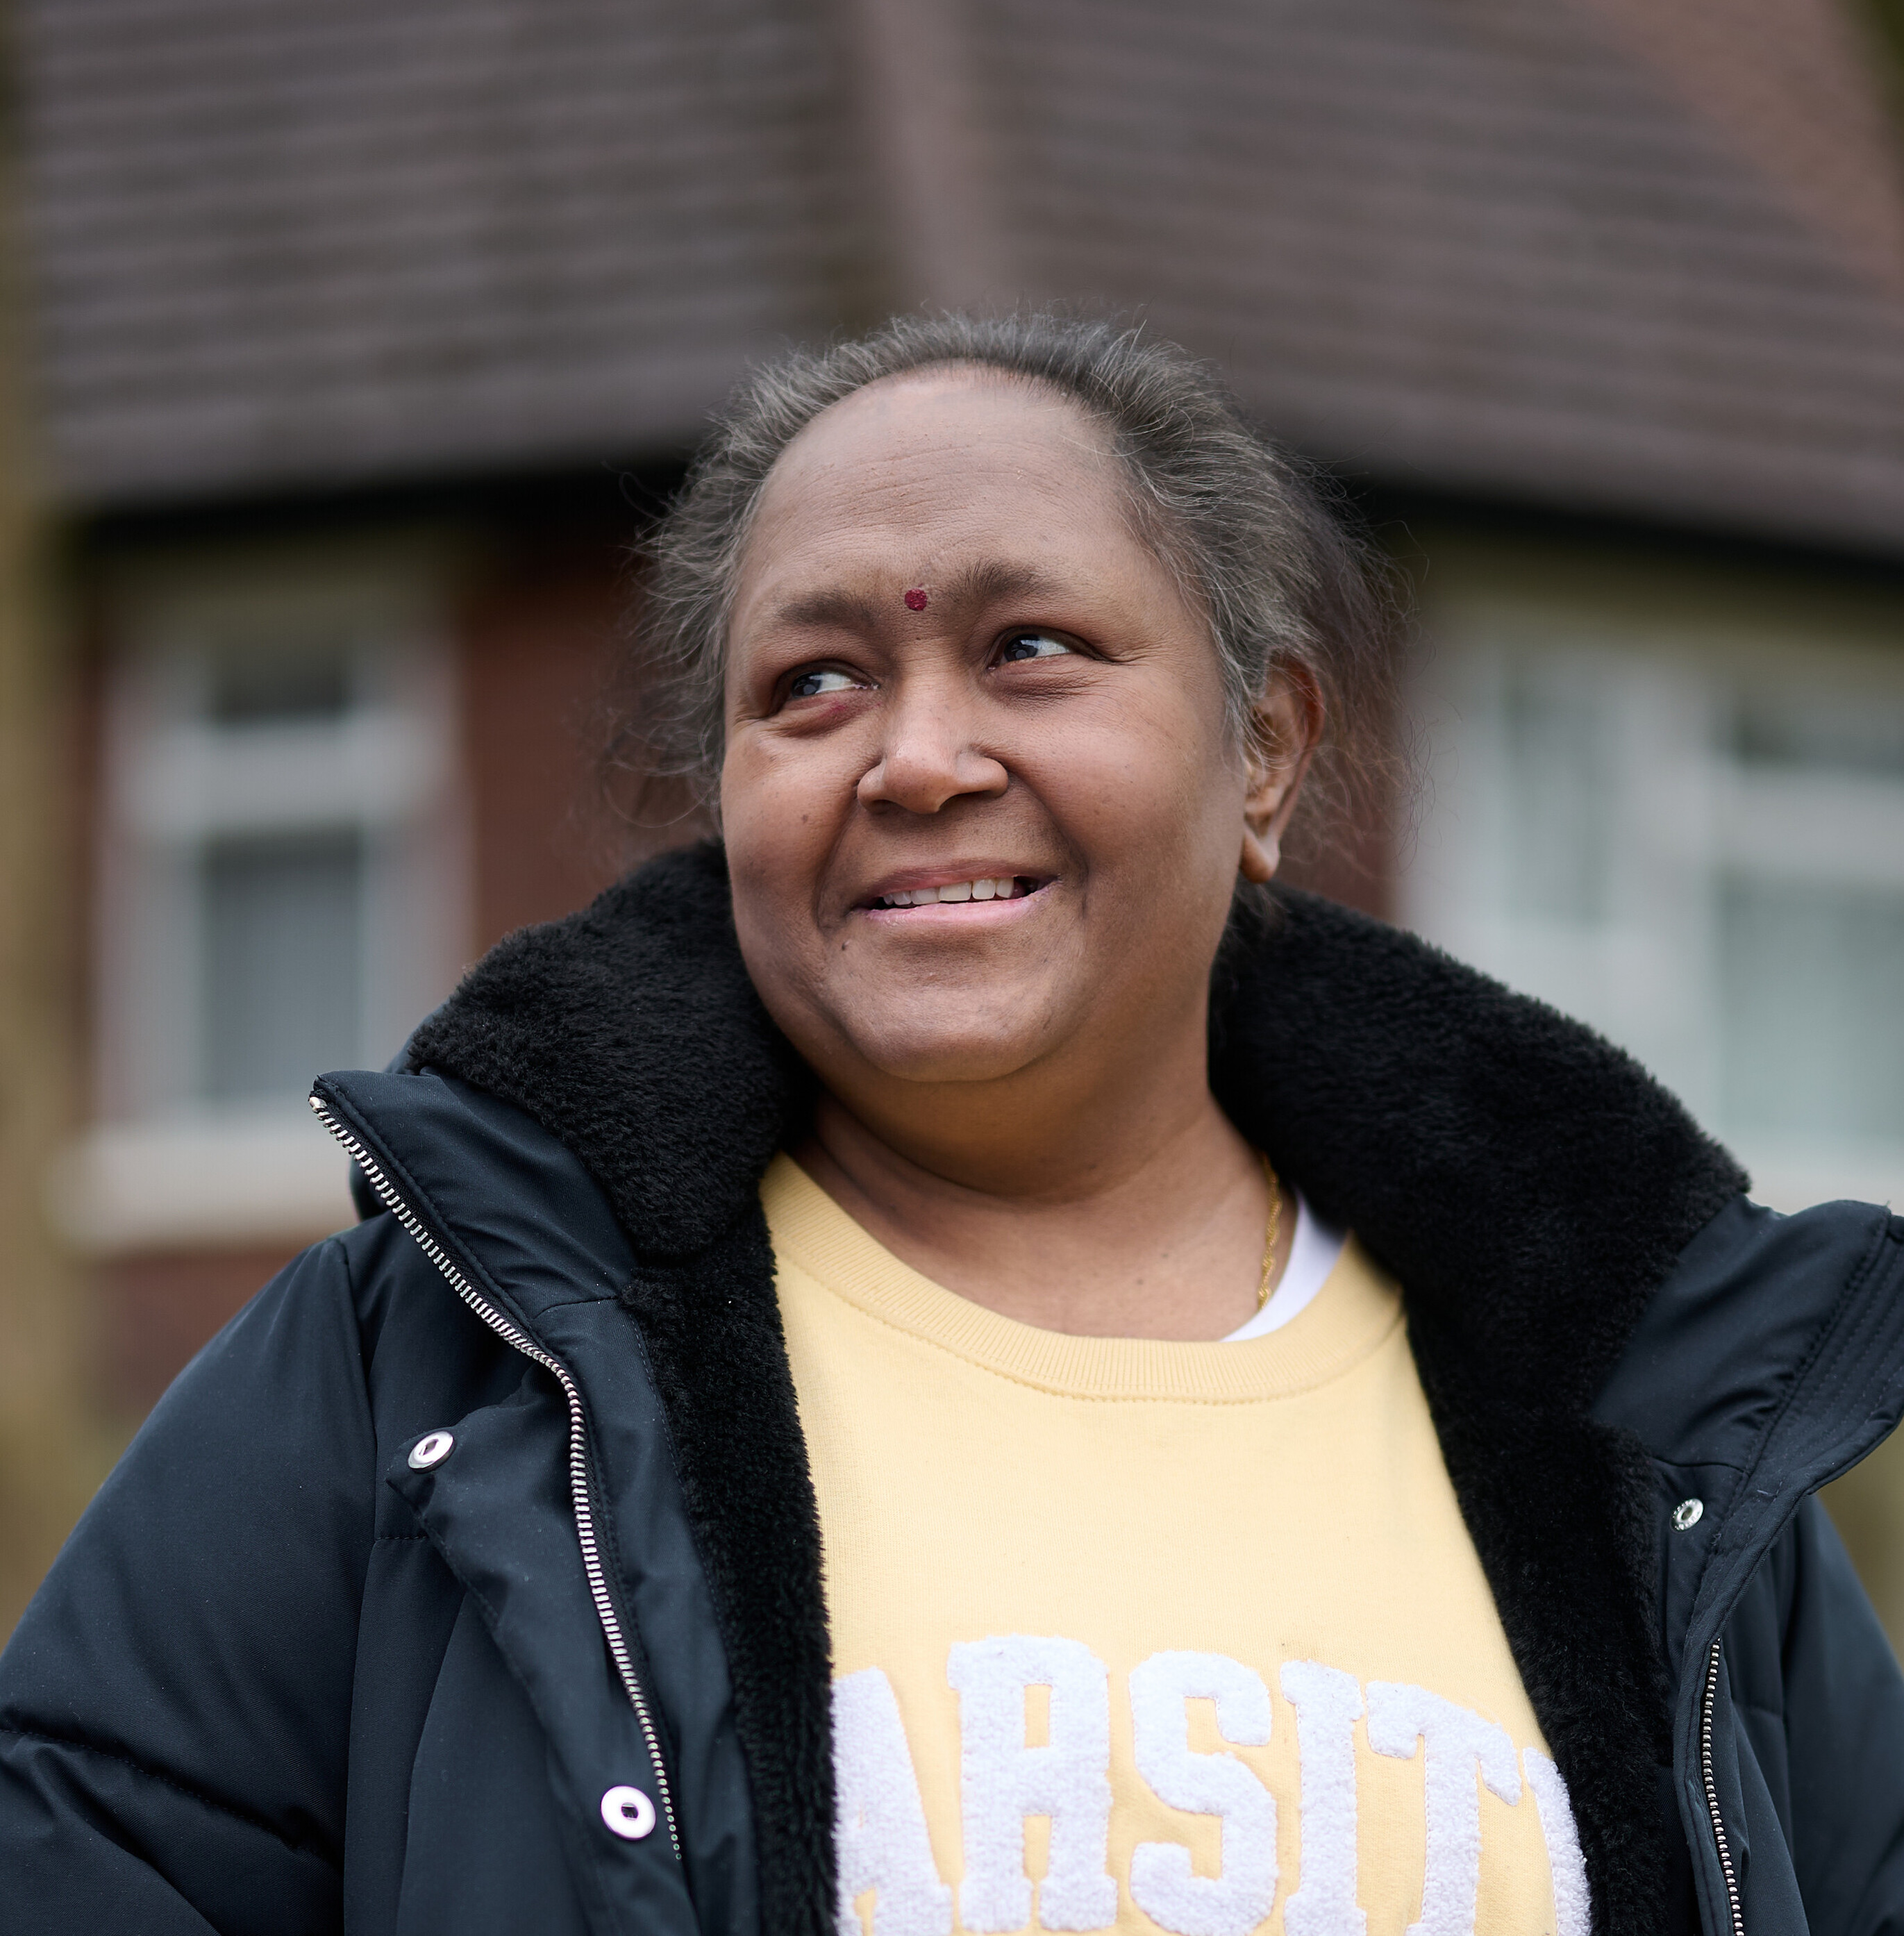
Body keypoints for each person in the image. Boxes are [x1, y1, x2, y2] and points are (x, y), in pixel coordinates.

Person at [3, 314, 1902, 1936]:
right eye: (813, 683)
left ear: (1263, 750)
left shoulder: (1643, 1419)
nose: (914, 759)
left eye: (1031, 648)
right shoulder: (433, 1373)